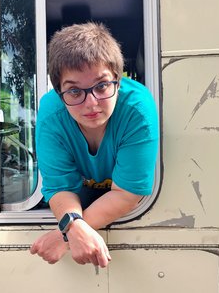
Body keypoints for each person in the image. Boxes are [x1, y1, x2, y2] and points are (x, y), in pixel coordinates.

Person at [30, 22, 159, 268]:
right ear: (58, 92)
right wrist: (74, 227)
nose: (91, 103)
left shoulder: (138, 111)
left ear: (118, 81)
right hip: (80, 200)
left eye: (101, 86)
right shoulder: (51, 116)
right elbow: (59, 188)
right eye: (74, 92)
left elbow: (127, 194)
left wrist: (65, 234)